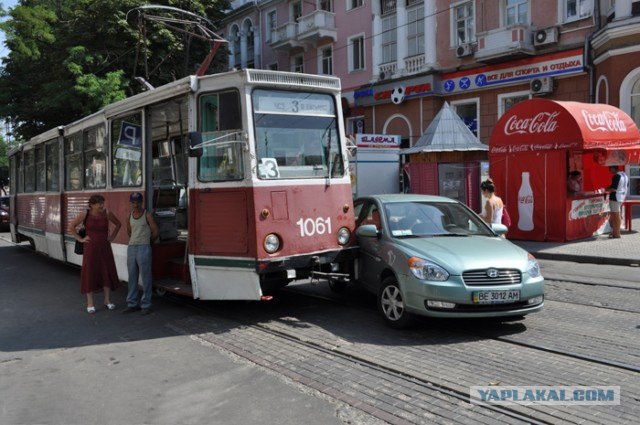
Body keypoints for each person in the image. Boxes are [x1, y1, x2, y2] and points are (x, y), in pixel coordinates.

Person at [68, 194, 121, 314]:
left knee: (106, 272)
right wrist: (80, 239)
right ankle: (90, 303)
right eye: (99, 203)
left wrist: (112, 237)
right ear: (91, 205)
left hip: (104, 247)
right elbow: (71, 226)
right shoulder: (85, 214)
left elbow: (118, 224)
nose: (102, 205)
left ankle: (107, 300)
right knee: (89, 273)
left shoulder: (107, 213)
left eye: (103, 203)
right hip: (90, 248)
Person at [123, 192, 159, 315]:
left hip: (144, 247)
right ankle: (132, 304)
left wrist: (147, 242)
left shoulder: (147, 215)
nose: (135, 204)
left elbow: (155, 232)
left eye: (138, 201)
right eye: (133, 202)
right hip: (132, 247)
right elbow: (129, 232)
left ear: (141, 202)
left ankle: (146, 305)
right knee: (132, 276)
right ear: (131, 203)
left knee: (146, 276)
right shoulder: (129, 216)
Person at [604, 165, 629, 239]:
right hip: (621, 197)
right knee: (617, 214)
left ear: (613, 168)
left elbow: (613, 189)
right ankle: (615, 232)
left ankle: (617, 233)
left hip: (615, 197)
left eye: (610, 169)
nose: (610, 171)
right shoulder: (624, 175)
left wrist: (605, 189)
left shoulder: (616, 176)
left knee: (615, 215)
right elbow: (626, 186)